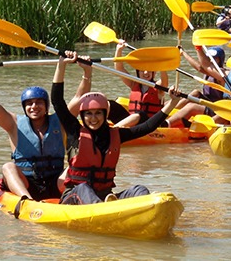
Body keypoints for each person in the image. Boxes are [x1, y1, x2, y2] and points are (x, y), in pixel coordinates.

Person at [52, 51, 180, 204]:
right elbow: (57, 101)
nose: (93, 118)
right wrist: (61, 64)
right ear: (83, 116)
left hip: (104, 195)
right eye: (89, 114)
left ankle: (121, 210)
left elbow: (148, 126)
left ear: (105, 114)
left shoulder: (116, 134)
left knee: (140, 190)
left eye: (98, 113)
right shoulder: (74, 130)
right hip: (75, 196)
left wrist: (173, 102)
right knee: (84, 188)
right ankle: (102, 209)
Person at [0, 58, 92, 200]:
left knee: (79, 163)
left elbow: (80, 98)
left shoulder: (60, 121)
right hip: (26, 184)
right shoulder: (13, 124)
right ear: (24, 108)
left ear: (46, 107)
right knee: (8, 167)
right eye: (29, 103)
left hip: (56, 182)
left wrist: (87, 71)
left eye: (39, 102)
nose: (34, 106)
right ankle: (27, 201)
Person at [110, 40, 169, 122]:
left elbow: (164, 82)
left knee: (139, 115)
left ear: (154, 72)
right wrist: (119, 50)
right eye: (142, 70)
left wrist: (161, 65)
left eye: (149, 70)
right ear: (138, 72)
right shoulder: (133, 84)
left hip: (149, 124)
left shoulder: (158, 87)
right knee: (111, 105)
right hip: (133, 122)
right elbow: (119, 69)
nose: (146, 73)